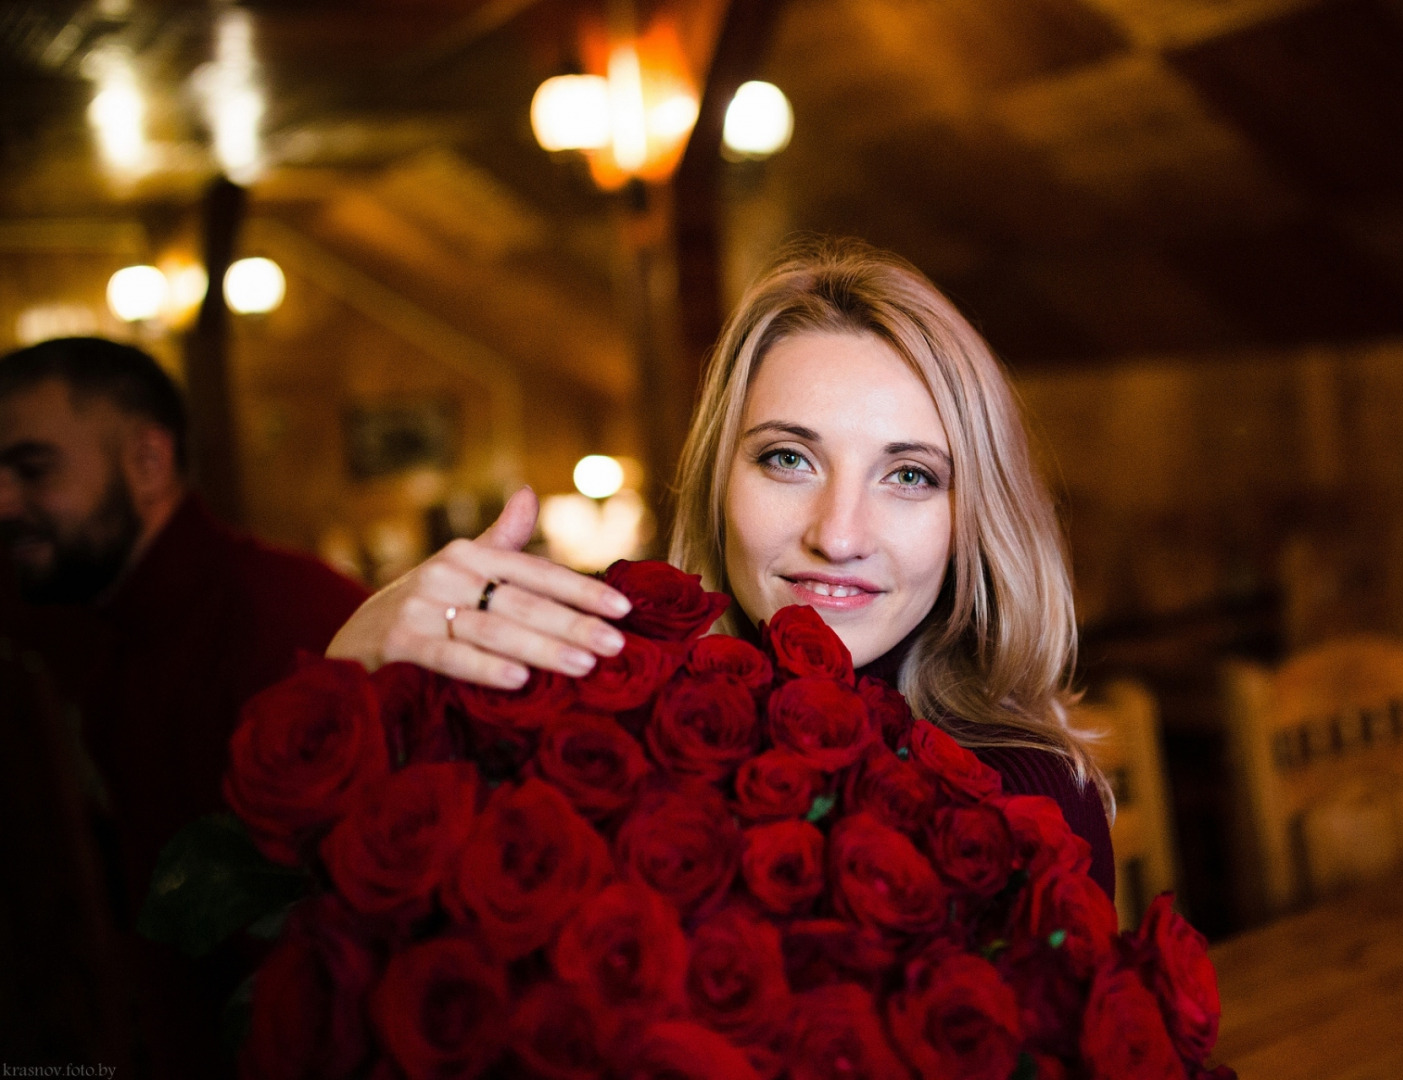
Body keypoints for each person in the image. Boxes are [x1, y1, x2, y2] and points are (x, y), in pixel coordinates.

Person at [327, 241, 1115, 896]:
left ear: (972, 516)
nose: (838, 536)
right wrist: (352, 680)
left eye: (909, 475)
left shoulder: (1025, 803)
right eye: (787, 458)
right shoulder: (587, 735)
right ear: (716, 483)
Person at [0, 336, 370, 1077]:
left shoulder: (288, 620)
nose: (3, 502)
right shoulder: (110, 654)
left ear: (147, 461)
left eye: (33, 469)